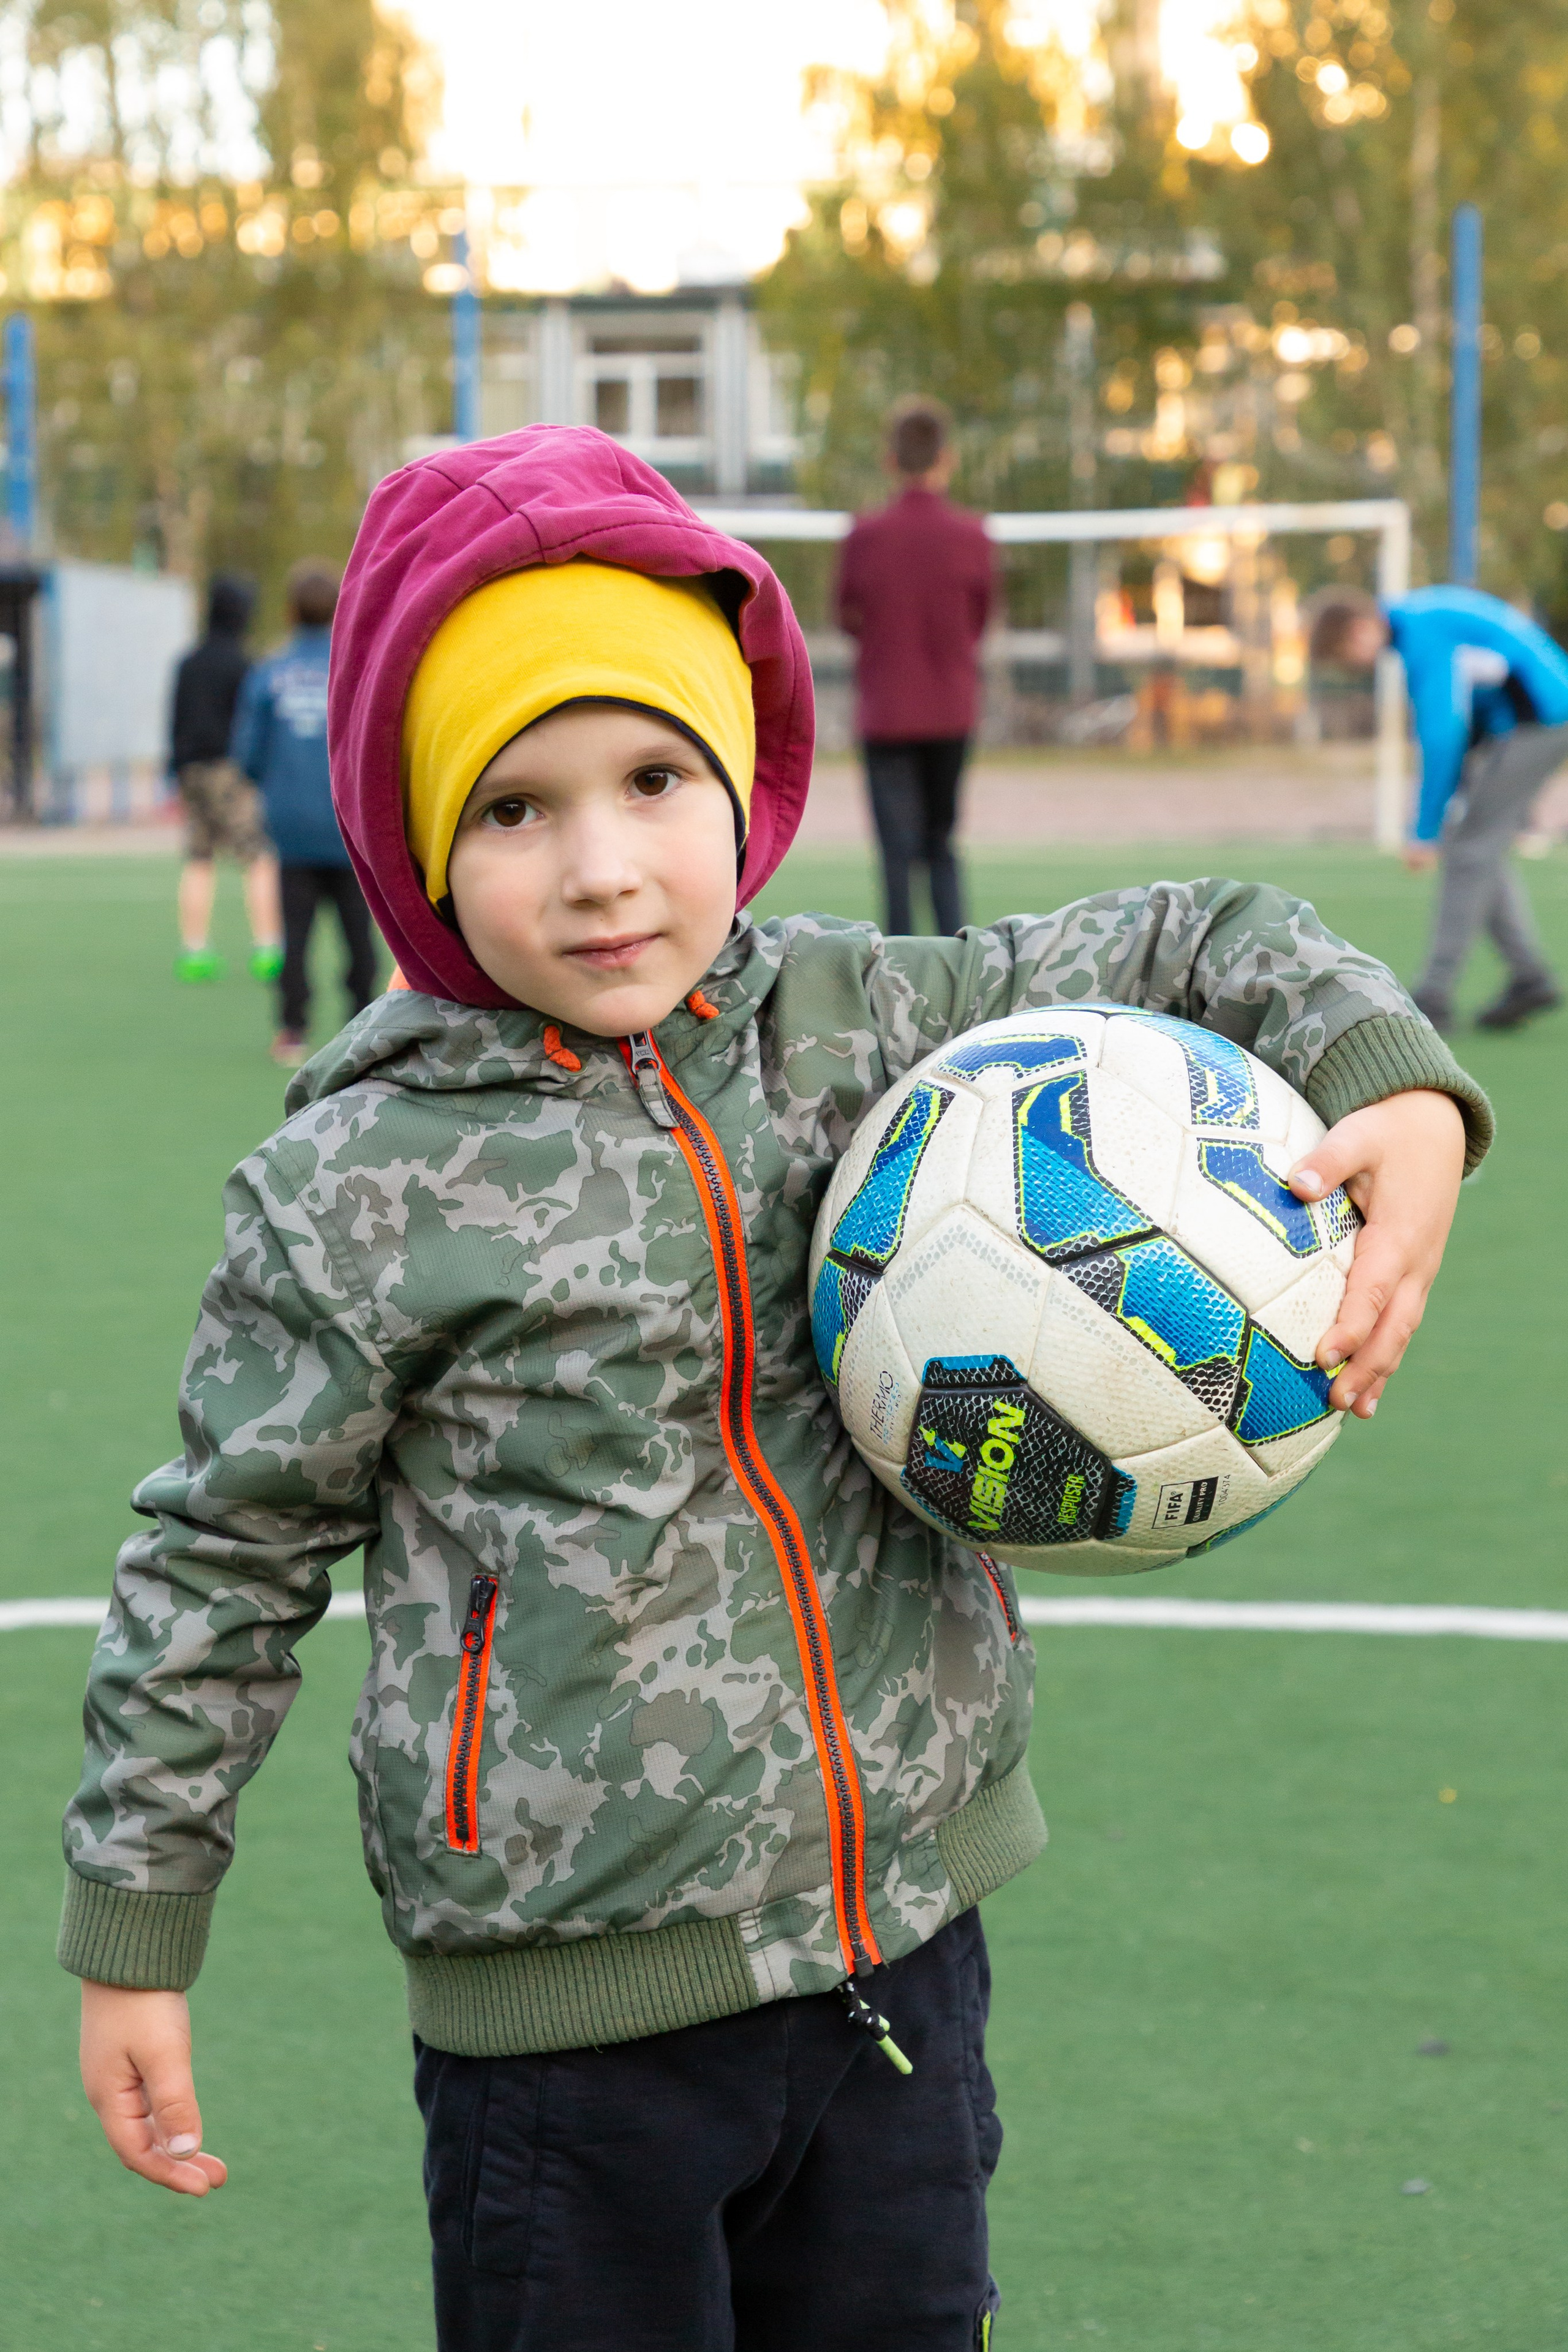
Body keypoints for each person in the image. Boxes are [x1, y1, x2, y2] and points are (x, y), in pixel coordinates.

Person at [63, 427, 1490, 2352]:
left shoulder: (862, 1020)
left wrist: (1391, 1076)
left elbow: (1193, 936)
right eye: (512, 808)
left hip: (903, 1955)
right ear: (413, 844)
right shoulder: (359, 1184)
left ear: (738, 774)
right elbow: (219, 1564)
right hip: (568, 2037)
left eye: (654, 778)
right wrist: (139, 1930)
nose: (600, 866)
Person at [1310, 585, 1568, 1030]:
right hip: (1513, 726)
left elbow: (1443, 731)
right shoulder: (1414, 620)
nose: (1356, 667)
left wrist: (1423, 831)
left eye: (1346, 656)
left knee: (1469, 852)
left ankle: (1434, 995)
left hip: (1541, 720)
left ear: (1358, 630)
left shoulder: (1420, 632)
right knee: (1476, 849)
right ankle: (1528, 976)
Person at [835, 399, 995, 936]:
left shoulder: (865, 535)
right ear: (946, 458)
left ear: (890, 459)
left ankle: (898, 977)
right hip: (950, 711)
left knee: (896, 856)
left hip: (886, 712)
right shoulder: (972, 535)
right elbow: (978, 619)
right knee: (942, 845)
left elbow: (848, 615)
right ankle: (962, 963)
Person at [230, 559, 379, 1067]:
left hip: (291, 827)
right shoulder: (356, 669)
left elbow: (247, 754)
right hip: (348, 829)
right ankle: (366, 1028)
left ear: (290, 611)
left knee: (296, 934)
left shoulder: (269, 673)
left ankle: (292, 1031)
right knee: (360, 932)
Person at [167, 572, 281, 985]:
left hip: (191, 769)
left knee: (199, 859)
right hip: (229, 771)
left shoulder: (188, 662)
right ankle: (268, 946)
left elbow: (175, 719)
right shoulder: (244, 664)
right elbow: (252, 725)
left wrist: (175, 770)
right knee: (258, 856)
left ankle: (195, 951)